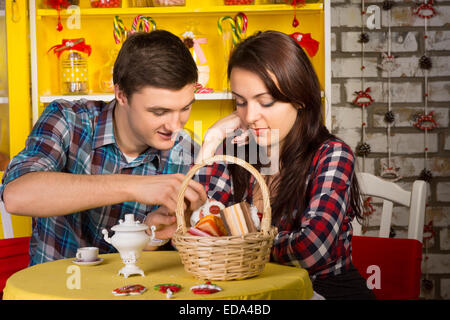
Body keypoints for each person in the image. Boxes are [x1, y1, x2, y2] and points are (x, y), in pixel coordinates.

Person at [0, 30, 207, 266]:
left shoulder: (188, 153)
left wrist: (151, 237)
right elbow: (17, 196)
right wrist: (134, 187)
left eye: (185, 108)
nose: (175, 125)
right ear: (121, 94)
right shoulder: (69, 120)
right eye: (159, 112)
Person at [195, 31, 376, 300]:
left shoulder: (332, 155)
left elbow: (309, 249)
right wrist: (210, 142)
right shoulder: (235, 152)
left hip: (325, 291)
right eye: (240, 102)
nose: (250, 116)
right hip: (252, 294)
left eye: (265, 101)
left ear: (300, 98)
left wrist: (232, 241)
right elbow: (194, 231)